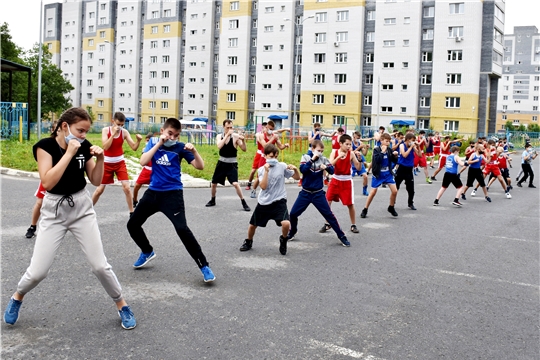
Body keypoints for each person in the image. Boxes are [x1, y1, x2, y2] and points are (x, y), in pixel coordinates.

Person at [4, 107, 136, 330]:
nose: (83, 136)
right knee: (38, 272)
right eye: (80, 130)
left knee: (100, 266)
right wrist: (68, 154)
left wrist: (101, 159)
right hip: (53, 210)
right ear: (65, 127)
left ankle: (121, 304)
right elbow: (47, 182)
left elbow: (95, 180)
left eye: (86, 131)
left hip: (81, 207)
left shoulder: (83, 146)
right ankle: (18, 296)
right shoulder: (45, 147)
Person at [126, 118, 215, 282]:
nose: (173, 138)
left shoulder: (180, 148)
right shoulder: (153, 142)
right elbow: (143, 161)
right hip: (153, 192)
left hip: (172, 194)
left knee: (182, 229)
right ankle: (147, 251)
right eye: (170, 133)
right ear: (162, 131)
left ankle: (204, 266)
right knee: (132, 224)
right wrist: (159, 144)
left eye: (177, 135)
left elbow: (200, 166)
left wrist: (194, 151)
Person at [239, 144, 300, 255]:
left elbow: (297, 178)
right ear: (265, 156)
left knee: (286, 224)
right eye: (270, 156)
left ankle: (283, 239)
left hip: (279, 200)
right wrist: (267, 171)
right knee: (253, 225)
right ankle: (248, 241)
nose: (273, 159)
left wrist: (295, 169)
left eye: (275, 157)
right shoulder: (262, 169)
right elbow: (263, 186)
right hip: (264, 202)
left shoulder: (282, 166)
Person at [287, 140, 350, 247]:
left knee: (329, 215)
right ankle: (293, 231)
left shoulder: (324, 159)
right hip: (305, 193)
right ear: (312, 149)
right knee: (293, 214)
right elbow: (303, 170)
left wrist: (326, 167)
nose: (319, 153)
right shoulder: (306, 157)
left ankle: (341, 235)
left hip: (318, 193)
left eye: (321, 151)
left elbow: (332, 171)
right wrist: (312, 160)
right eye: (318, 150)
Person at [91, 112, 143, 215]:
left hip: (119, 162)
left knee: (127, 188)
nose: (119, 127)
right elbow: (105, 147)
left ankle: (132, 212)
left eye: (122, 125)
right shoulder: (106, 130)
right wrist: (113, 134)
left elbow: (134, 148)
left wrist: (138, 141)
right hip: (106, 163)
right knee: (99, 190)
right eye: (118, 124)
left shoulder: (124, 132)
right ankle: (88, 210)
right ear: (113, 121)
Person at [319, 134, 363, 234]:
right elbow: (329, 165)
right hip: (335, 180)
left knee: (350, 204)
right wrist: (338, 157)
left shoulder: (351, 154)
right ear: (341, 144)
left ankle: (353, 225)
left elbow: (359, 168)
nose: (348, 146)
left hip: (346, 181)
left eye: (350, 144)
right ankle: (327, 223)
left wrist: (360, 159)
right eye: (346, 144)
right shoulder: (334, 152)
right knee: (327, 201)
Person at [206, 119, 250, 211]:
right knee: (214, 183)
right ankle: (213, 199)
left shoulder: (235, 137)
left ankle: (244, 202)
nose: (230, 129)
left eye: (231, 127)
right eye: (228, 127)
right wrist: (226, 135)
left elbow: (244, 149)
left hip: (232, 164)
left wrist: (243, 140)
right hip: (221, 163)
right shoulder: (220, 136)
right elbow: (219, 146)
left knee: (235, 183)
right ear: (224, 127)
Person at [25, 122, 59, 238]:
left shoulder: (69, 145)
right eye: (56, 130)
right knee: (39, 203)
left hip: (62, 180)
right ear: (53, 131)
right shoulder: (47, 145)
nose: (59, 132)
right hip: (48, 179)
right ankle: (32, 226)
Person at [360, 133, 399, 218]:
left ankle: (391, 207)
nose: (388, 143)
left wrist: (395, 156)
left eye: (389, 141)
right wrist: (382, 152)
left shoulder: (389, 150)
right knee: (373, 192)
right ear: (381, 141)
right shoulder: (376, 150)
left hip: (387, 173)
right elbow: (377, 160)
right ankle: (365, 209)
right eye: (386, 141)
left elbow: (394, 161)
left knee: (395, 191)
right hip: (378, 174)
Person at [249, 120, 290, 198]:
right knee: (260, 175)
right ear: (266, 127)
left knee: (272, 173)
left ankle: (270, 191)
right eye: (269, 129)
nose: (270, 131)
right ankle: (253, 190)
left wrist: (285, 145)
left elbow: (280, 147)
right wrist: (272, 139)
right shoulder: (262, 136)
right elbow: (265, 146)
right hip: (263, 157)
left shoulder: (275, 136)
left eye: (272, 129)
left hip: (272, 158)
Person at [395, 133, 422, 211]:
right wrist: (411, 147)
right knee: (396, 187)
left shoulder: (413, 147)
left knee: (411, 189)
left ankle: (410, 203)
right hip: (401, 169)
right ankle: (392, 202)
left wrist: (418, 147)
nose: (413, 142)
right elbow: (404, 155)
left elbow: (420, 155)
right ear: (408, 139)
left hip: (409, 170)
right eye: (412, 140)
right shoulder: (402, 145)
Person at [132, 132, 154, 208]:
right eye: (147, 140)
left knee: (154, 189)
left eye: (149, 140)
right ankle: (134, 200)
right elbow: (143, 161)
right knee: (136, 186)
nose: (147, 142)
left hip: (155, 171)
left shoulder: (157, 148)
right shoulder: (145, 149)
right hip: (146, 170)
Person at [352, 131, 370, 196]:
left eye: (359, 138)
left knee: (365, 176)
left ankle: (365, 190)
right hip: (352, 163)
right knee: (349, 178)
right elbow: (351, 153)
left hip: (359, 162)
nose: (358, 139)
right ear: (354, 137)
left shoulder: (360, 143)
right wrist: (359, 148)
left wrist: (367, 148)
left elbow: (364, 154)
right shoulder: (350, 143)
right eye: (357, 138)